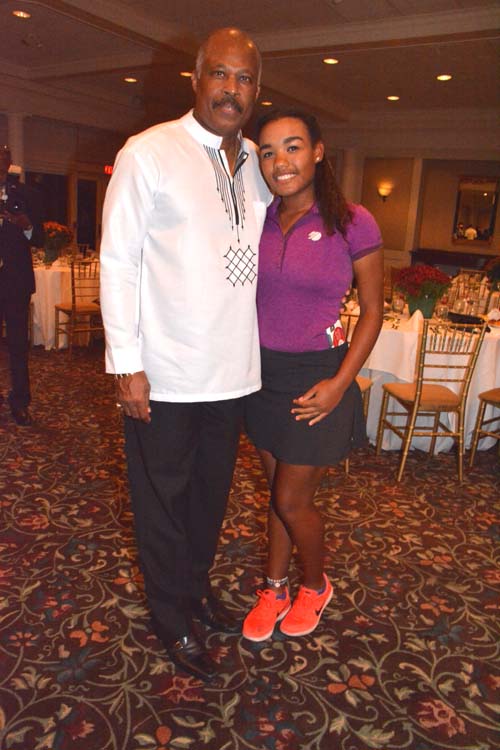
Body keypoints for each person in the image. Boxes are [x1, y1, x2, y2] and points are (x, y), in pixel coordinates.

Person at [99, 28, 270, 682]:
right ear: (196, 79)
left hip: (232, 375)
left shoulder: (258, 161)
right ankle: (171, 617)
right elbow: (117, 261)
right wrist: (126, 361)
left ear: (257, 88)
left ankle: (195, 590)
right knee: (162, 504)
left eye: (245, 79)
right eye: (221, 75)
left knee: (208, 500)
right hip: (164, 376)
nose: (232, 90)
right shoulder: (150, 152)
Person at [242, 110, 384, 642]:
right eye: (268, 151)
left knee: (290, 500)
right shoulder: (255, 217)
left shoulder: (353, 219)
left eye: (293, 147)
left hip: (318, 378)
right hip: (260, 374)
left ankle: (315, 585)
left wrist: (340, 384)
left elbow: (373, 310)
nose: (280, 161)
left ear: (319, 151)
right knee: (276, 490)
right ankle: (274, 587)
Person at [0, 146, 42, 426]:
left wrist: (25, 224)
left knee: (17, 344)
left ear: (9, 162)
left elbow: (37, 236)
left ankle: (20, 402)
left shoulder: (24, 193)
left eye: (2, 157)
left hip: (15, 280)